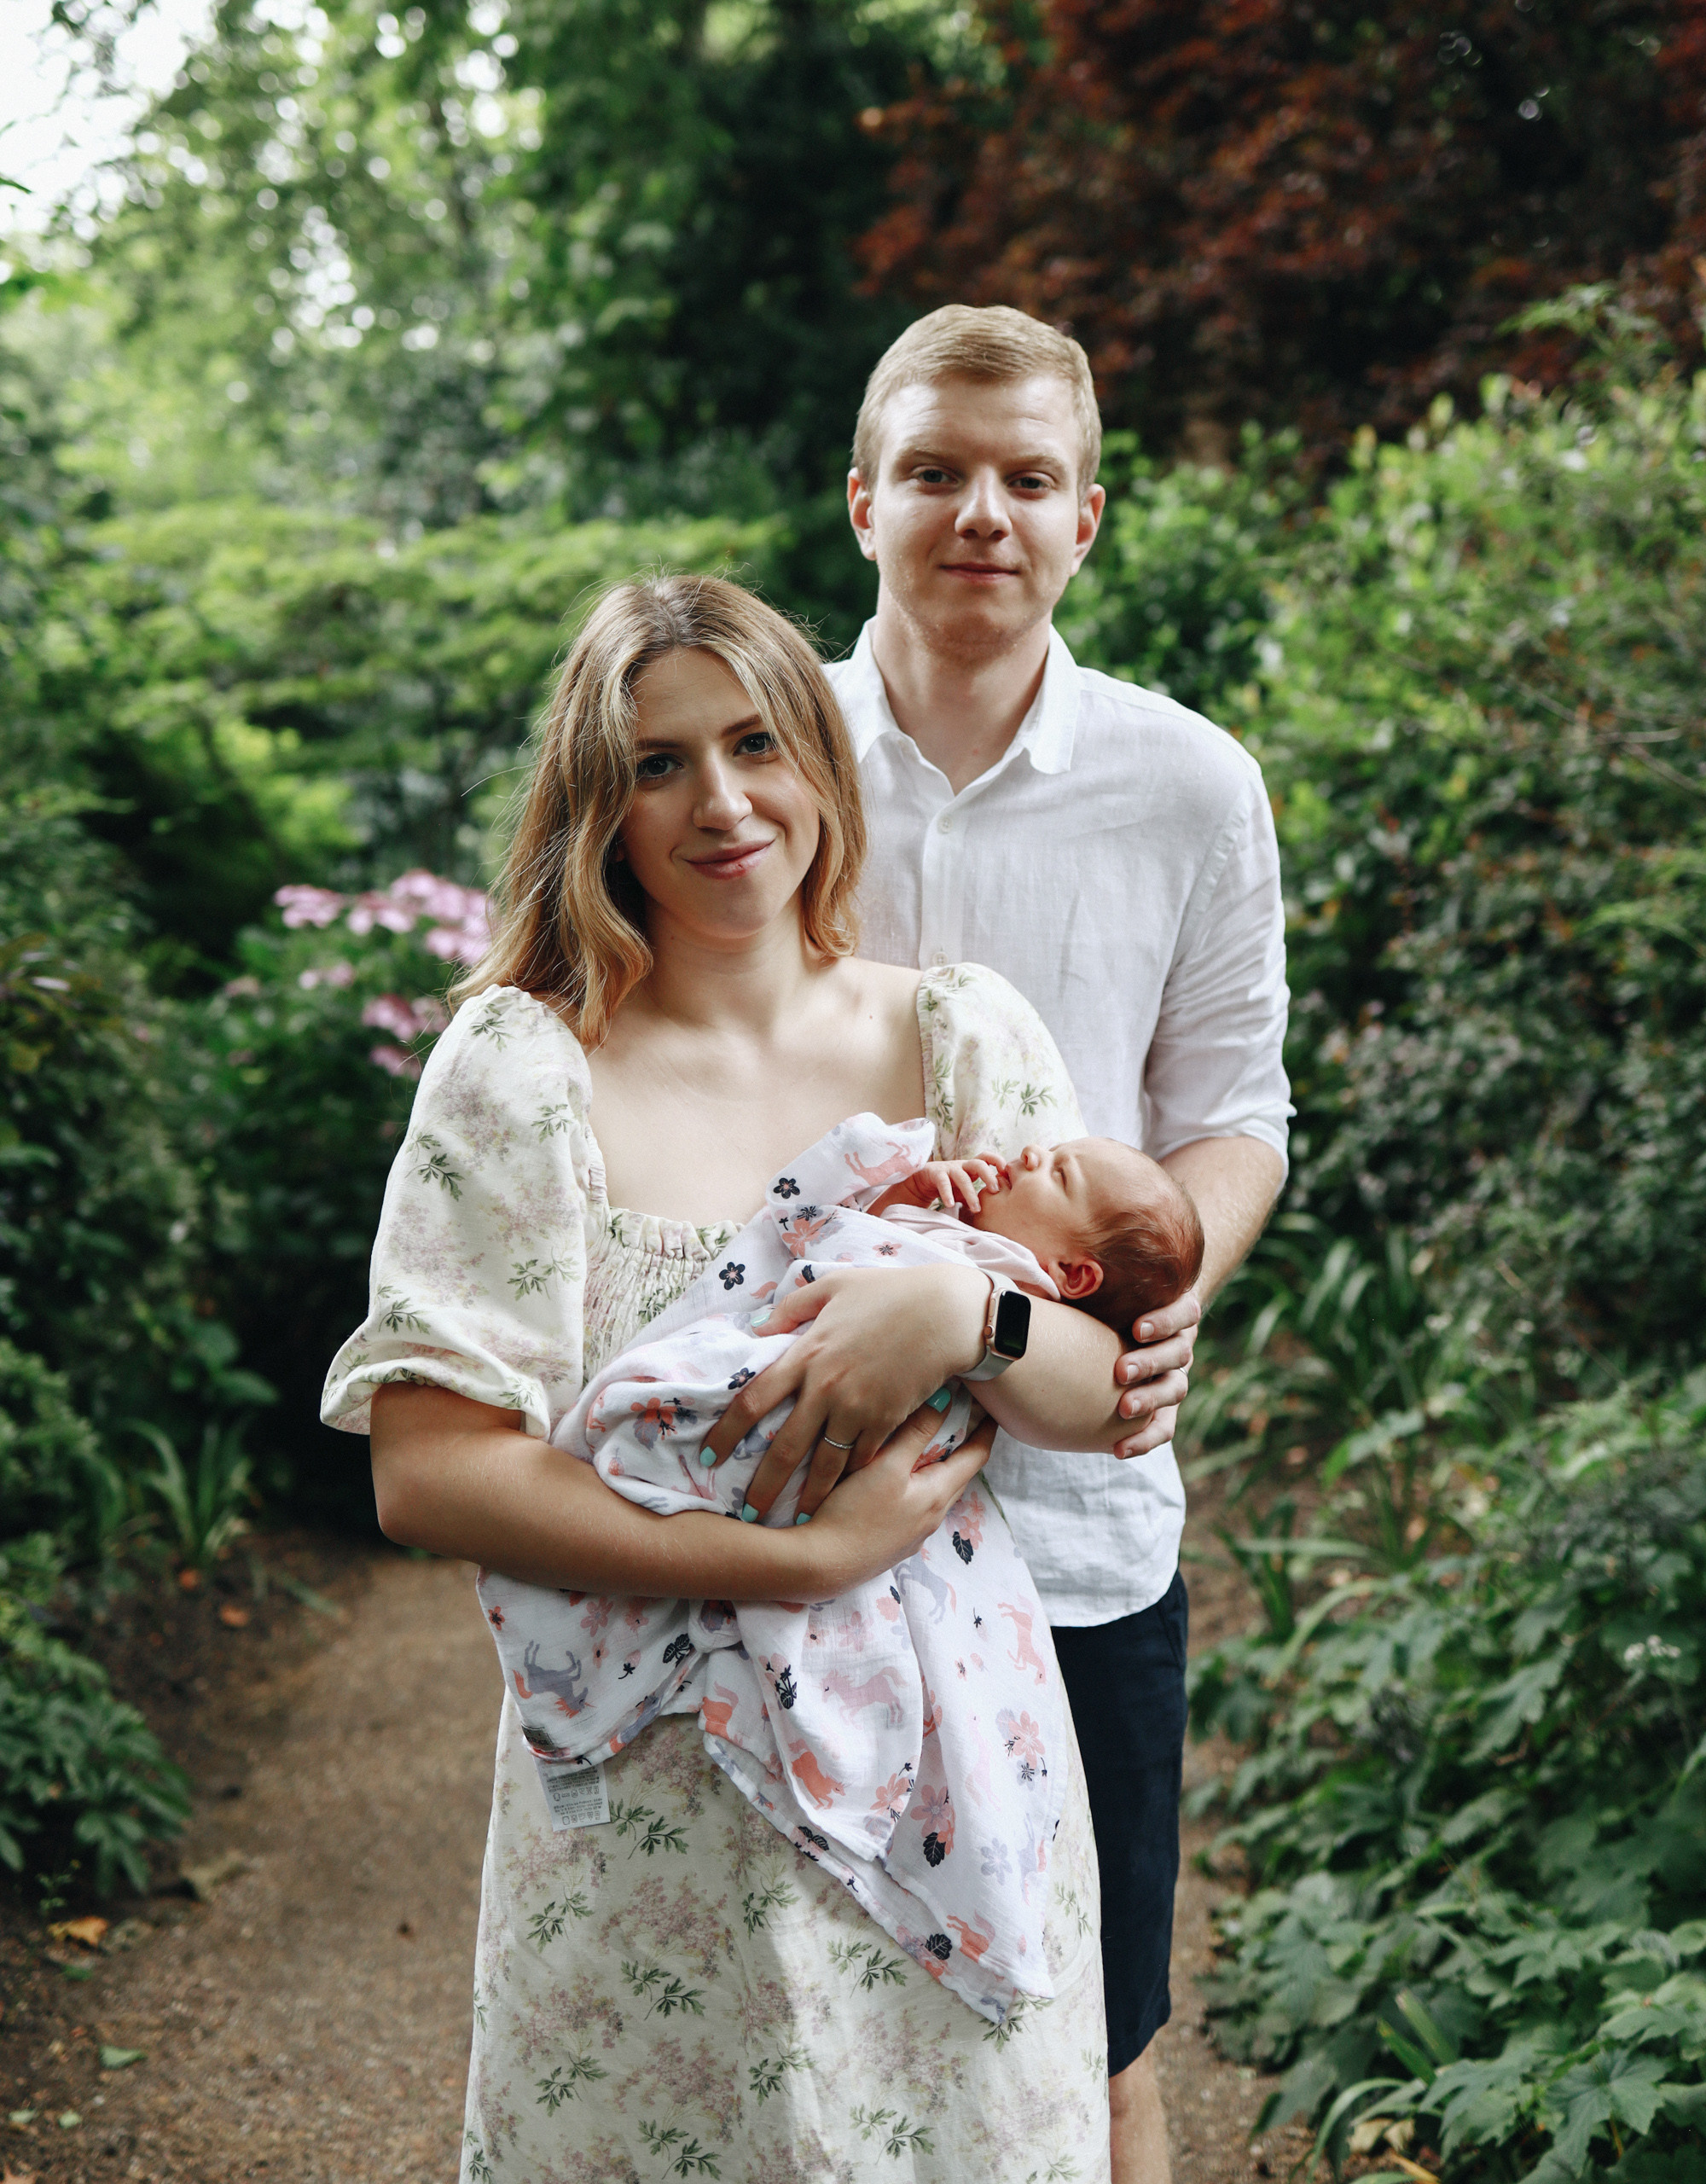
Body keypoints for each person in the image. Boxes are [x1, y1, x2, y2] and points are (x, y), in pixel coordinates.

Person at [322, 573, 1162, 2180]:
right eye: (657, 764)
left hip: (946, 1773)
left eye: (758, 743)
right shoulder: (525, 1067)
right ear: (599, 806)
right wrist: (802, 1560)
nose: (721, 802)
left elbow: (1099, 1395)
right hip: (656, 1823)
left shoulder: (956, 1035)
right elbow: (429, 1472)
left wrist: (955, 1316)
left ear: (822, 768)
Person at [717, 306, 1292, 2184]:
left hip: (1072, 1522)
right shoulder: (746, 767)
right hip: (793, 1489)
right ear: (861, 496)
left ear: (1086, 518)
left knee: (1097, 2053)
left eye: (1027, 478)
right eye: (942, 473)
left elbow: (1235, 1113)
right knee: (791, 2054)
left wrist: (1166, 1273)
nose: (985, 512)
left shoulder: (1190, 784)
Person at [469, 1118, 1203, 2031]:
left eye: (1052, 1172)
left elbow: (1103, 1396)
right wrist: (914, 1194)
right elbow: (843, 1235)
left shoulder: (1011, 1282)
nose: (1023, 1155)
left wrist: (954, 1309)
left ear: (1075, 1275)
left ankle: (672, 1453)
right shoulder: (959, 1213)